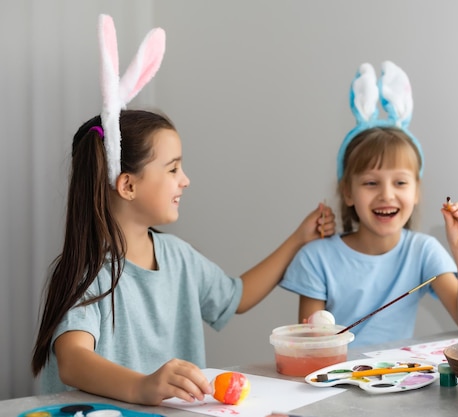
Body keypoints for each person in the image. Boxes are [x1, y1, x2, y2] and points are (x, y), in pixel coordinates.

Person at [31, 15, 335, 406]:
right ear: (128, 185)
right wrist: (143, 385)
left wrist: (299, 238)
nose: (185, 180)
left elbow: (235, 296)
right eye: (173, 169)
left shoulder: (178, 258)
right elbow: (73, 362)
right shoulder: (86, 270)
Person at [280, 61, 458, 347]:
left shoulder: (422, 251)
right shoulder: (316, 258)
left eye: (400, 183)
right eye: (370, 183)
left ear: (416, 192)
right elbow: (311, 349)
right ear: (348, 193)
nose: (387, 195)